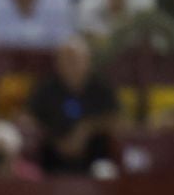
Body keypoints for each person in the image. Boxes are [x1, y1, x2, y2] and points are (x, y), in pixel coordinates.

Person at [27, 35, 120, 172]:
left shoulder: (101, 88)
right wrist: (56, 139)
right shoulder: (45, 88)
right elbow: (29, 118)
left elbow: (117, 119)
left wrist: (87, 129)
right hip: (52, 159)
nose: (70, 64)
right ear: (57, 63)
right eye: (66, 59)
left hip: (95, 159)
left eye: (75, 59)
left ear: (87, 61)